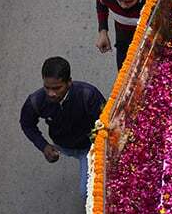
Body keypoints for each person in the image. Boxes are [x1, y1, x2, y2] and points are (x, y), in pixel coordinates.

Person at [19, 57, 106, 198]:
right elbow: (27, 124)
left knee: (88, 193)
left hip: (89, 148)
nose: (51, 94)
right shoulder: (36, 101)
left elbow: (106, 123)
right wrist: (44, 146)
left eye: (57, 88)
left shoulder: (88, 95)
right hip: (63, 146)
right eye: (47, 88)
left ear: (69, 82)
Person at [95, 0, 151, 69]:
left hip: (147, 37)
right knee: (123, 70)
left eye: (129, 1)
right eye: (119, 0)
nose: (123, 5)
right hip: (123, 35)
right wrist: (103, 32)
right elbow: (101, 5)